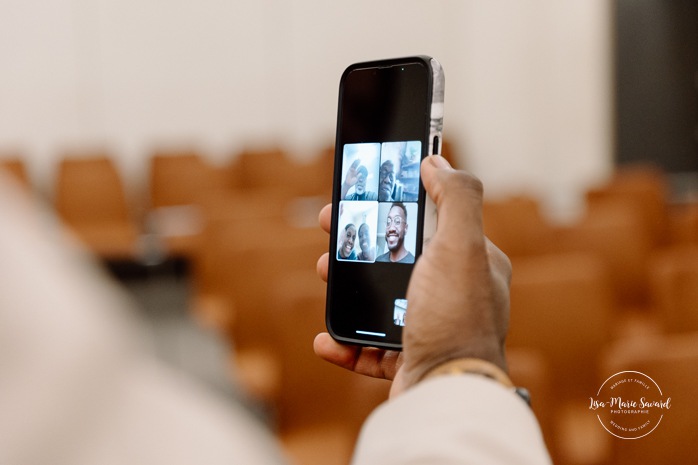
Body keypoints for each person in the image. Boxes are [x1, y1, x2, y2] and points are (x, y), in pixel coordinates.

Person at [314, 155, 552, 463]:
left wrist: (446, 367)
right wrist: (462, 369)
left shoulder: (415, 257)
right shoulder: (373, 242)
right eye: (387, 222)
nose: (390, 227)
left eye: (397, 221)